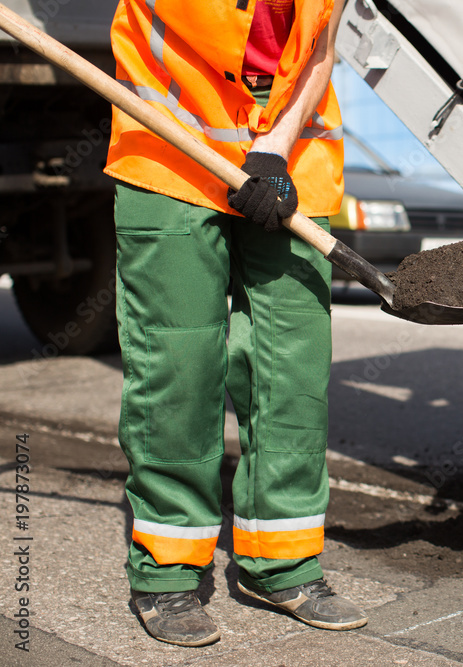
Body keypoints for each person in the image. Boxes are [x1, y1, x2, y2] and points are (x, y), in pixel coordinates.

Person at [105, 0, 364, 646]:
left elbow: (322, 49)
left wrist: (274, 153)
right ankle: (166, 569)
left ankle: (284, 561)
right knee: (180, 363)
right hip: (169, 142)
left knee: (291, 366)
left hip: (289, 157)